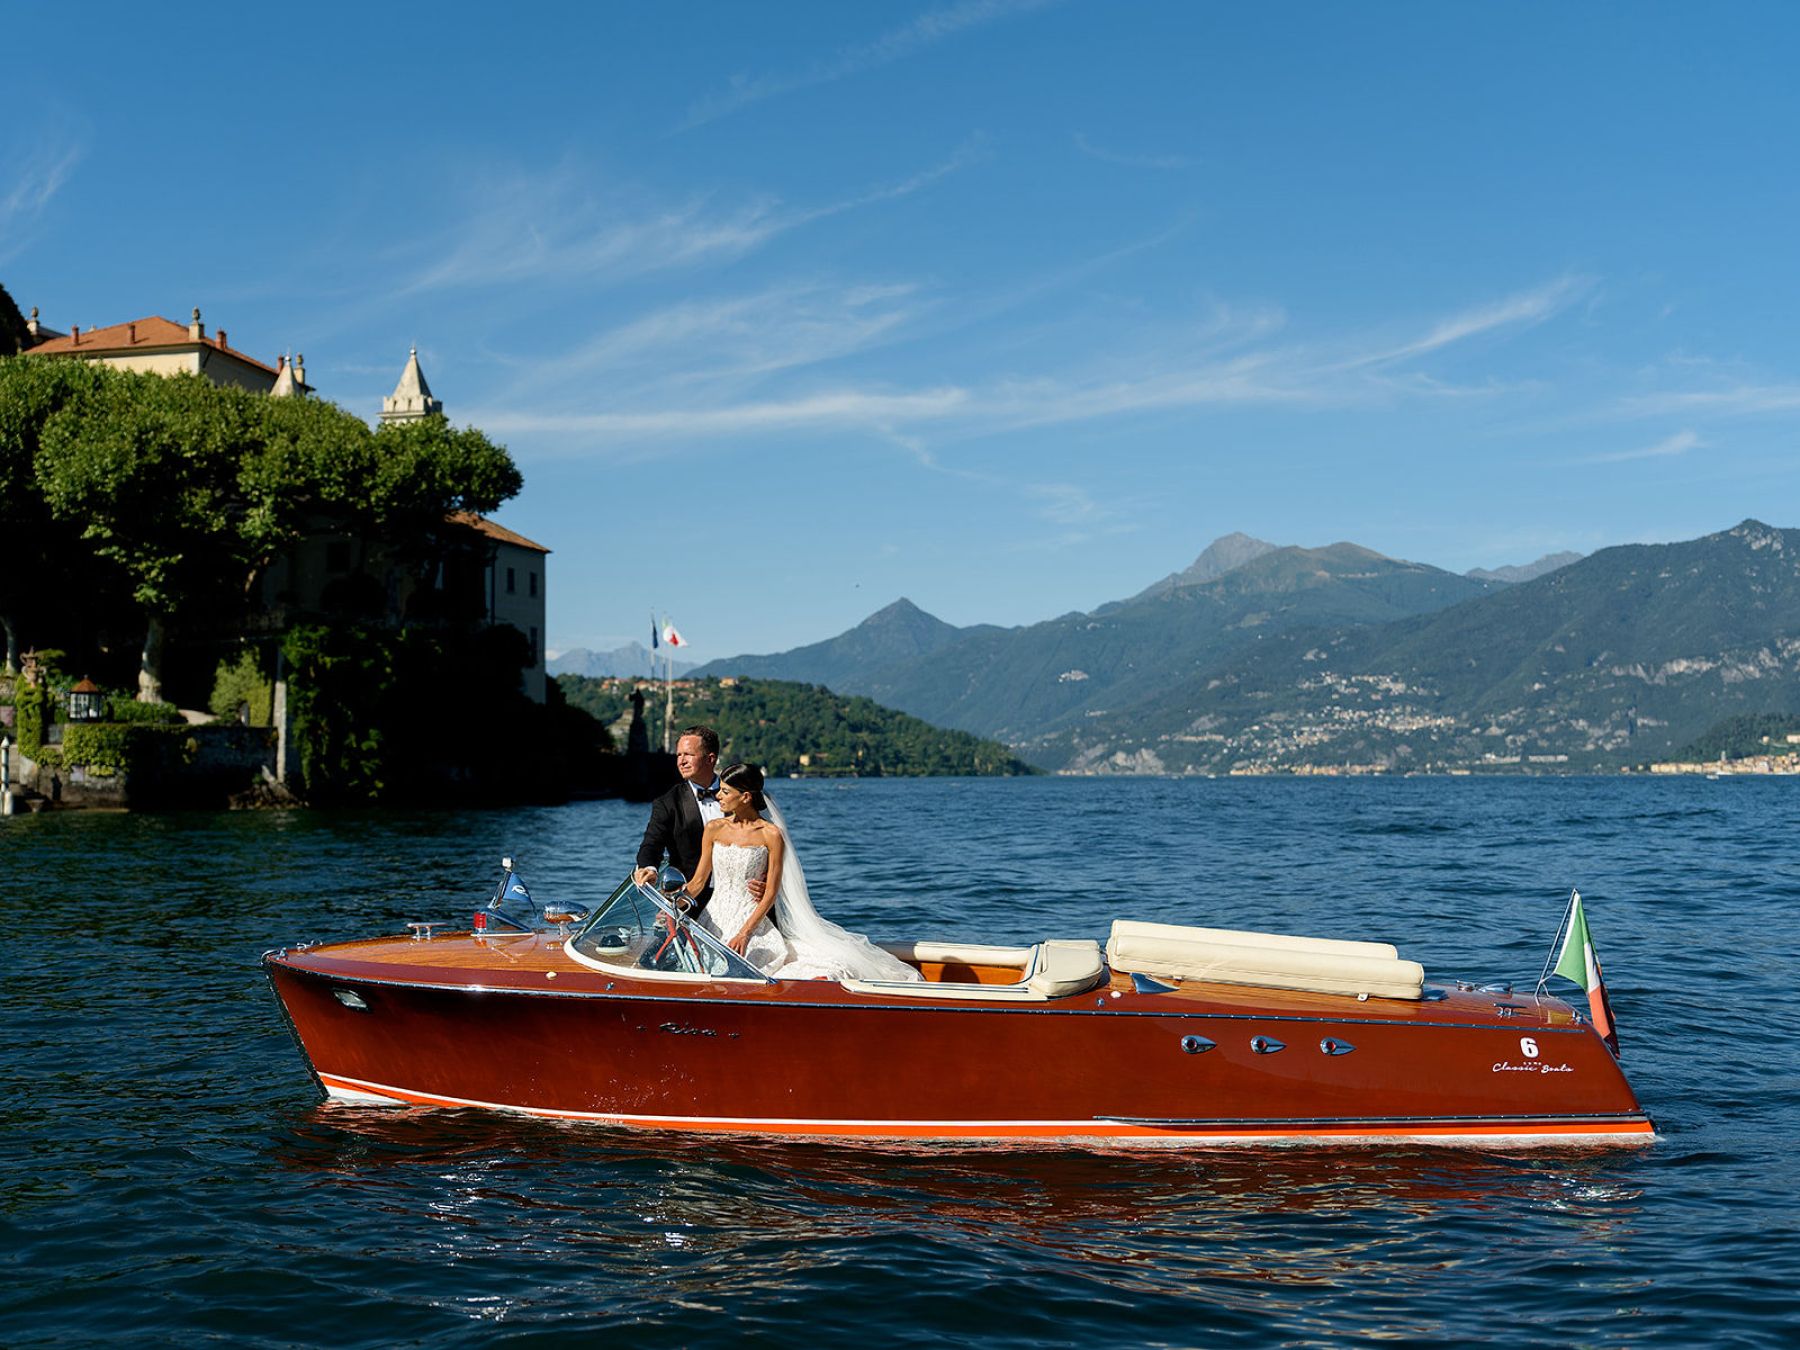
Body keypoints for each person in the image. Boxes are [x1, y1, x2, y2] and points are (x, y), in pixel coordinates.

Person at [670, 761, 923, 983]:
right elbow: (699, 881)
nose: (718, 796)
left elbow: (770, 892)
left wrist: (745, 933)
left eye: (725, 791)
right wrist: (673, 905)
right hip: (713, 919)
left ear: (745, 796)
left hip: (750, 921)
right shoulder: (714, 828)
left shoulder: (771, 834)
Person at [633, 724, 761, 911]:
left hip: (746, 898)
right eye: (679, 755)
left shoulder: (742, 794)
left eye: (688, 755)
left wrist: (764, 880)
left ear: (710, 759)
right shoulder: (667, 803)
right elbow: (651, 843)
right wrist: (649, 868)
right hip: (693, 901)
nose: (681, 761)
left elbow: (766, 842)